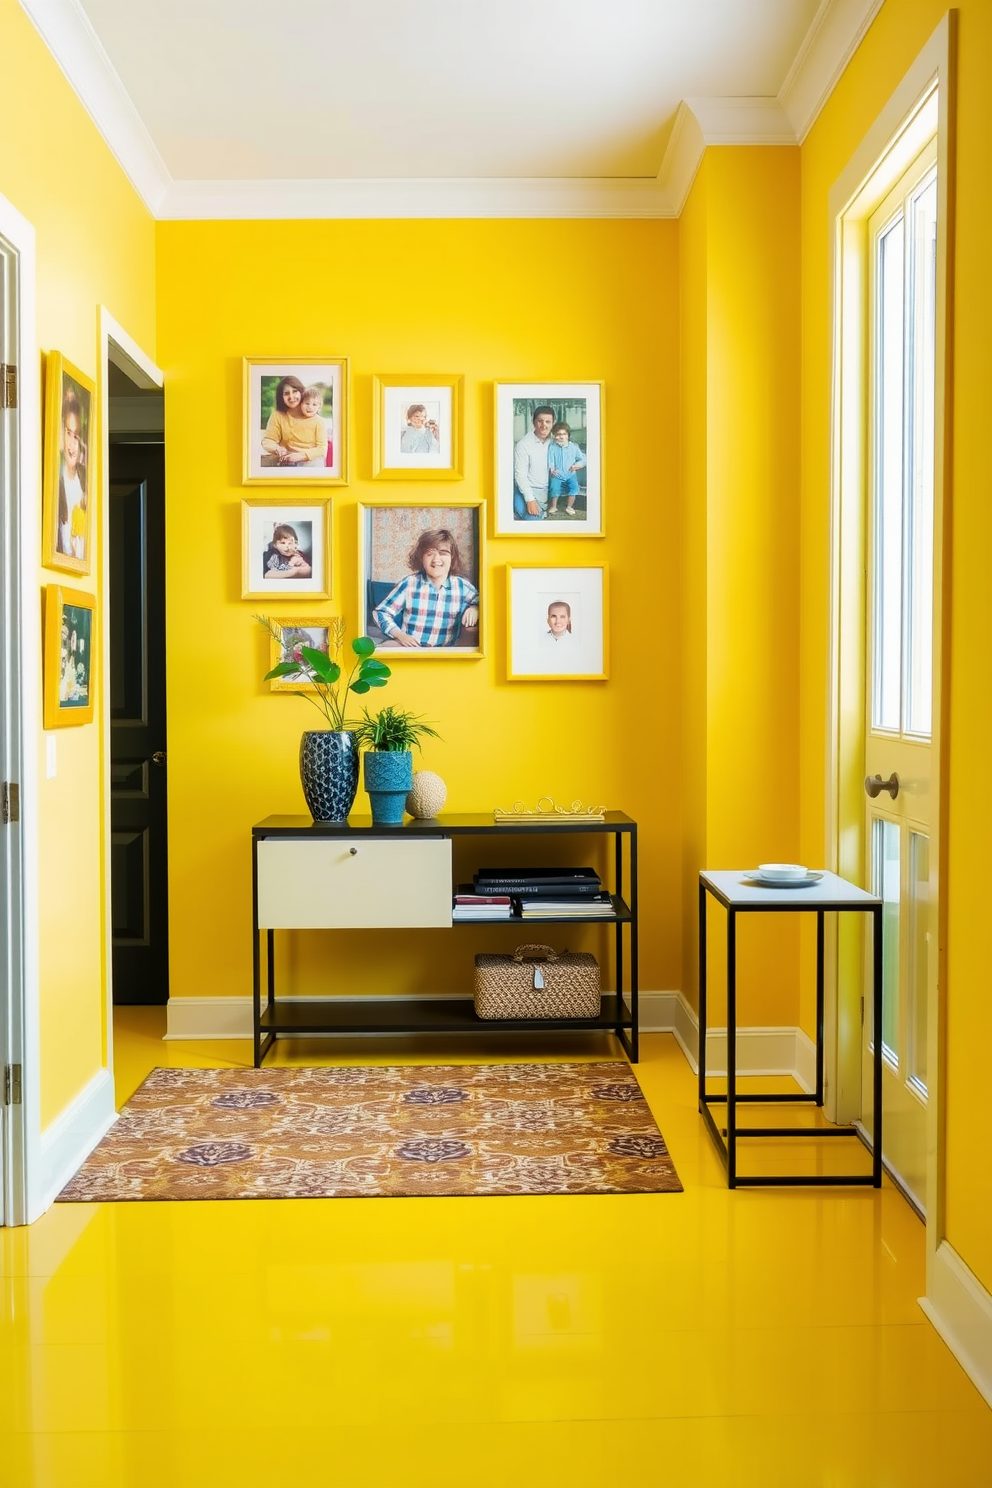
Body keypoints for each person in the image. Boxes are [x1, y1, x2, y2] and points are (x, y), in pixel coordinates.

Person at [373, 528, 478, 648]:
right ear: (421, 558)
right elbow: (381, 612)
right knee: (382, 649)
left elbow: (485, 601)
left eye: (443, 553)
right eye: (429, 553)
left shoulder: (462, 586)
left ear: (452, 557)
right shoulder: (409, 583)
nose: (436, 559)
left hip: (445, 653)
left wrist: (475, 608)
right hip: (410, 649)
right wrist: (400, 635)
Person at [260, 377, 328, 467]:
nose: (291, 397)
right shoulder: (278, 415)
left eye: (295, 391)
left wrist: (301, 456)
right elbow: (268, 440)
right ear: (281, 397)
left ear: (301, 392)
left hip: (310, 462)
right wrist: (277, 449)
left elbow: (322, 448)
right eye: (286, 393)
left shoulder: (316, 419)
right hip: (286, 460)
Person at [56, 386, 86, 558]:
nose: (72, 445)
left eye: (76, 436)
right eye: (69, 433)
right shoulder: (55, 483)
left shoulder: (84, 482)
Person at [512, 405, 556, 520]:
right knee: (532, 521)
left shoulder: (555, 442)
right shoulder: (523, 444)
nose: (544, 425)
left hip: (546, 491)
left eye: (548, 422)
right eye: (540, 421)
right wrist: (530, 499)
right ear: (534, 422)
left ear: (553, 423)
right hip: (527, 489)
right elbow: (520, 475)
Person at [546, 422, 586, 516]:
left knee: (574, 488)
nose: (561, 437)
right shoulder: (552, 447)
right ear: (554, 436)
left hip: (570, 474)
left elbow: (581, 459)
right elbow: (550, 460)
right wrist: (552, 469)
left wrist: (577, 465)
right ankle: (553, 506)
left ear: (568, 435)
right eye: (558, 434)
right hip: (557, 474)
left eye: (564, 434)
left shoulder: (573, 447)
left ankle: (569, 506)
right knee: (554, 488)